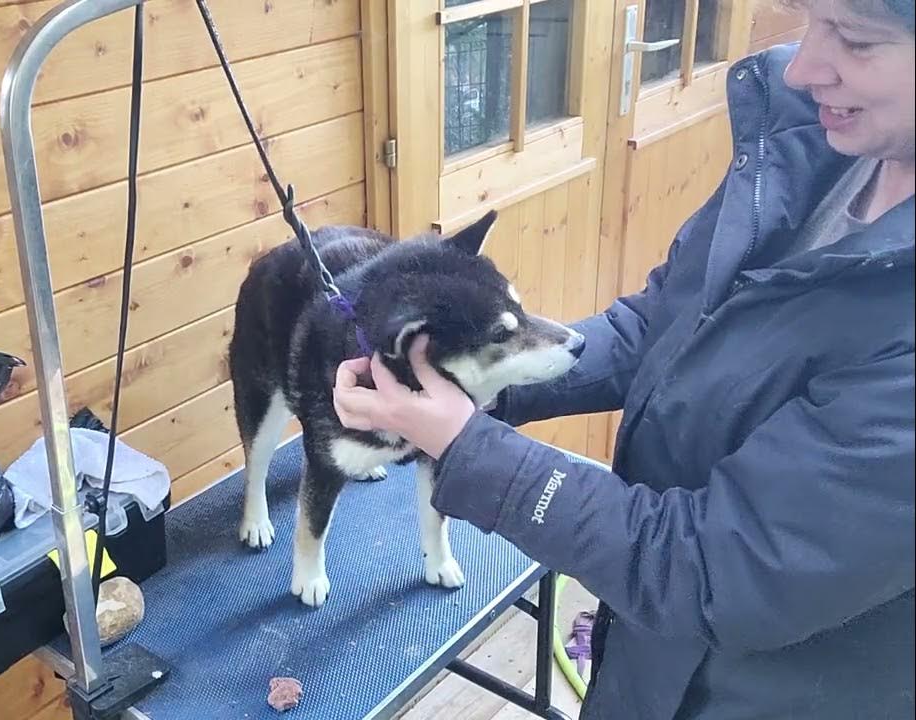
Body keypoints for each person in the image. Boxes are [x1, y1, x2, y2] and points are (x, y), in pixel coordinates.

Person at [332, 0, 914, 717]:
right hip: (648, 657)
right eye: (809, 18)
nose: (802, 67)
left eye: (854, 41)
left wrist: (467, 446)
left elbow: (713, 570)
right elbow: (660, 325)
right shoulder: (813, 152)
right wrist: (478, 381)